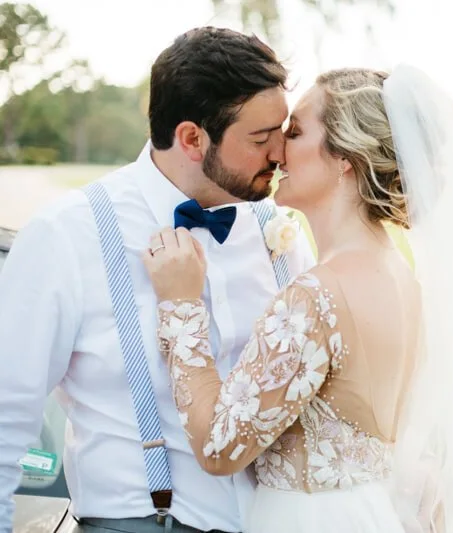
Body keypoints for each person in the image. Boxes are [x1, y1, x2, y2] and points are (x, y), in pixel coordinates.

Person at [144, 65, 453, 533]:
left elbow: (220, 447)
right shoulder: (403, 280)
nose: (277, 151)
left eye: (295, 132)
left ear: (345, 159)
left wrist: (181, 304)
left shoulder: (315, 297)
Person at [0, 27, 314, 533]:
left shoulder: (279, 232)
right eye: (260, 138)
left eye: (281, 131)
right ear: (192, 138)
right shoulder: (68, 234)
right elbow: (6, 413)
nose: (280, 153)